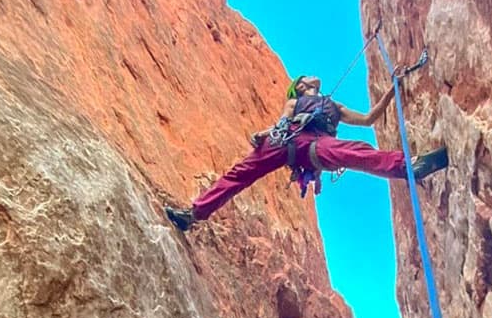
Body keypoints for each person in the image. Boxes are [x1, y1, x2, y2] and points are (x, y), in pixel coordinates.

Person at [164, 71, 448, 232]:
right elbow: (283, 120)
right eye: (305, 77)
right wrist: (266, 134)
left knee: (356, 151)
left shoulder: (333, 106)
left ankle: (411, 165)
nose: (312, 77)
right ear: (301, 86)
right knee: (239, 174)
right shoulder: (296, 101)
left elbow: (368, 119)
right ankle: (193, 213)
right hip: (285, 141)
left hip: (314, 147)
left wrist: (391, 90)